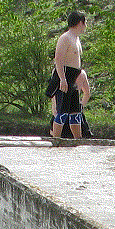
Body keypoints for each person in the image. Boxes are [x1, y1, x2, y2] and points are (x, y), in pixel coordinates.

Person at [49, 11, 90, 143]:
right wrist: (62, 79)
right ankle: (56, 140)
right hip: (65, 75)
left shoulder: (76, 38)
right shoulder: (65, 37)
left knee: (75, 111)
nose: (85, 26)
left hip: (73, 77)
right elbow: (58, 59)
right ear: (80, 23)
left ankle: (78, 139)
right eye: (85, 23)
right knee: (62, 111)